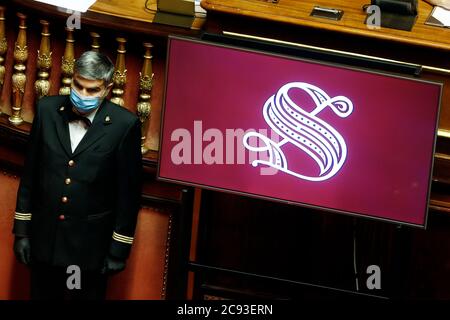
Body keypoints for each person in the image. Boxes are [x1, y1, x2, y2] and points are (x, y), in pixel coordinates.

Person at [12, 51, 142, 300]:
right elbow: (30, 176)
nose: (82, 95)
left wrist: (118, 250)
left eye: (92, 90)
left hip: (89, 249)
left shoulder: (124, 125)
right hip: (44, 241)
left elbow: (128, 194)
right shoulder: (47, 110)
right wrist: (22, 232)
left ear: (107, 89)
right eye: (78, 85)